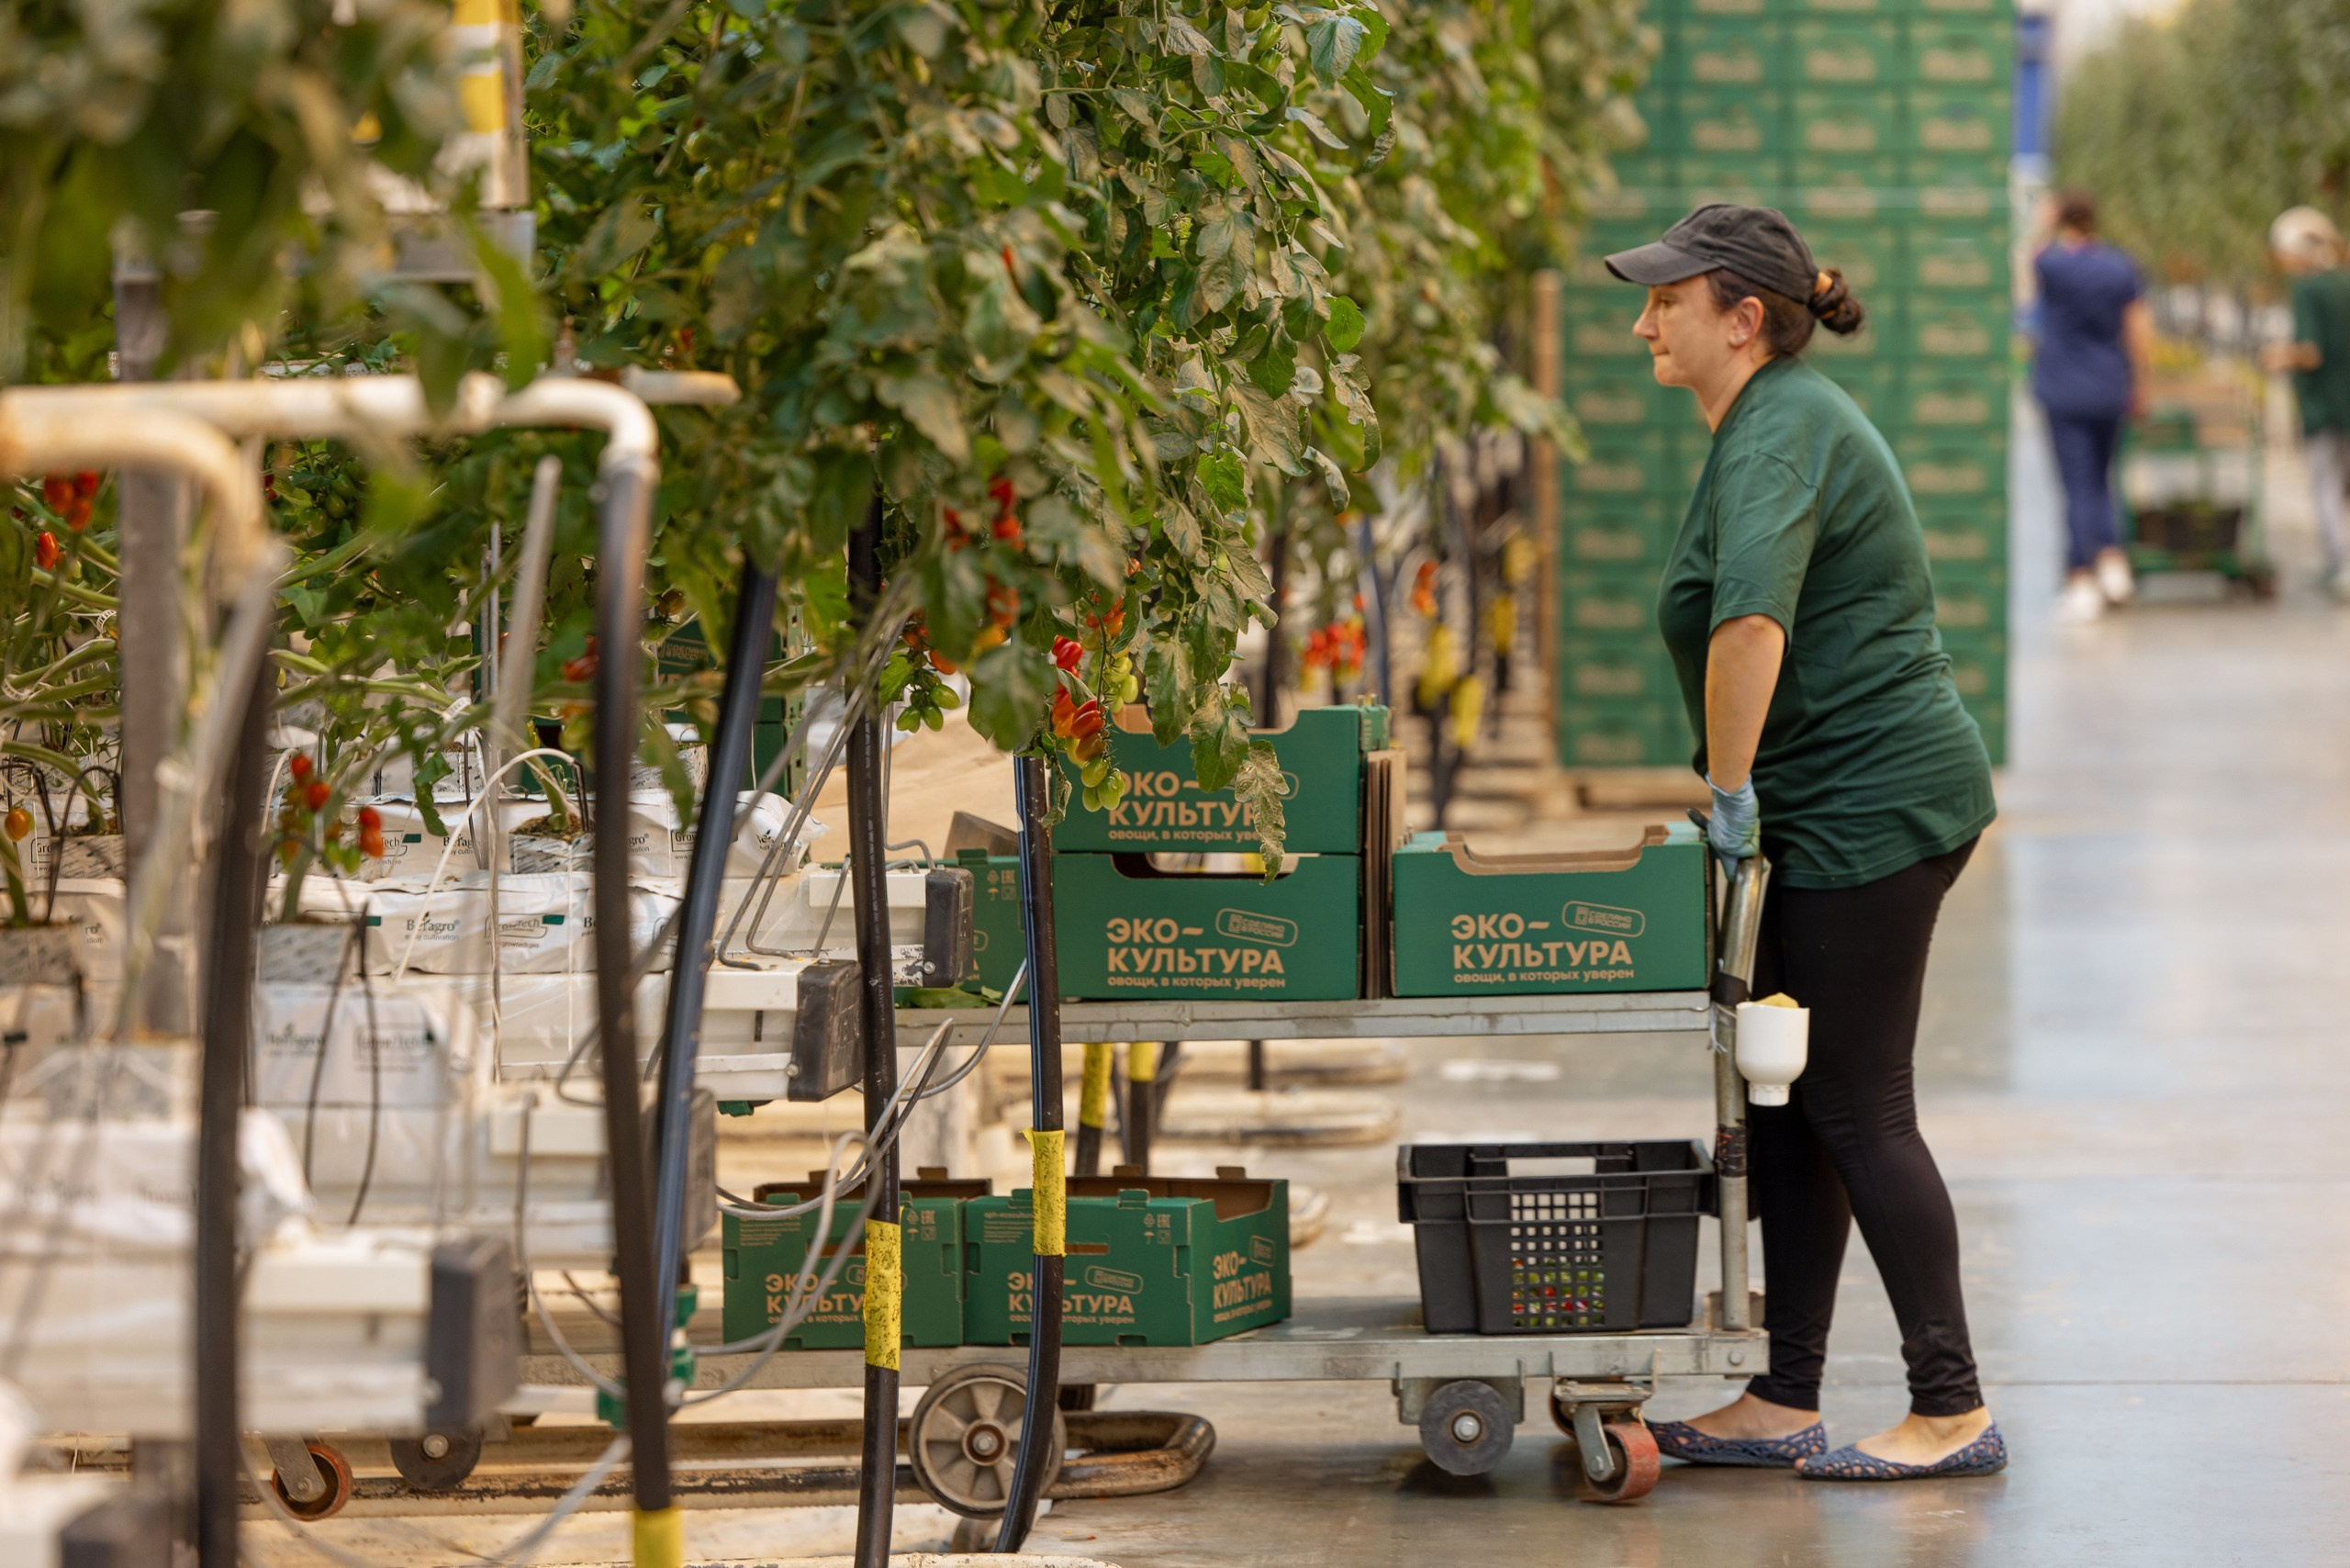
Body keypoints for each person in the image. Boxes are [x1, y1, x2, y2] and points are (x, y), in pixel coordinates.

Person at [1603, 204, 2003, 1481]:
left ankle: (1953, 1409)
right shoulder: (1761, 425)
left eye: (1664, 300)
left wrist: (1729, 791)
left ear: (1742, 315)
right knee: (1790, 1109)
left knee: (1854, 1102)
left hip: (1872, 809)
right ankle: (1786, 1395)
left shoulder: (1781, 428)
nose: (1641, 320)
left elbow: (1748, 630)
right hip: (1823, 806)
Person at [2031, 189, 2154, 623]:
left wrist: (2043, 221)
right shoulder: (2119, 266)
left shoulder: (2053, 264)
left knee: (2076, 485)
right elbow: (2138, 329)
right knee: (2103, 479)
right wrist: (2139, 385)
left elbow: (2027, 261)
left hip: (2064, 390)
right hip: (2109, 387)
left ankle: (2081, 576)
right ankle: (2113, 560)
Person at [2261, 207, 2350, 594]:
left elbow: (2310, 352)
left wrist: (2280, 357)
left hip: (2325, 407)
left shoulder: (2309, 290)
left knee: (2327, 487)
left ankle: (2343, 565)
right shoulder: (2345, 284)